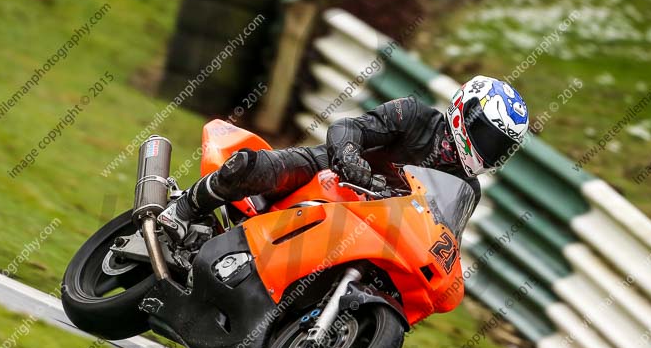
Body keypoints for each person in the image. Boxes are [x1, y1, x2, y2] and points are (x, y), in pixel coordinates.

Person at [160, 75, 529, 243]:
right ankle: (184, 209)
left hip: (374, 231)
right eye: (488, 137)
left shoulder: (467, 189)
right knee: (254, 166)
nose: (490, 149)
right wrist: (351, 157)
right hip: (330, 176)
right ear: (466, 113)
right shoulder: (414, 115)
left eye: (501, 146)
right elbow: (348, 127)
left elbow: (441, 240)